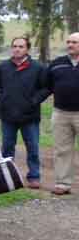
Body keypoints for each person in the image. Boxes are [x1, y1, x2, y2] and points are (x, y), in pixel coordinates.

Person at [0, 37, 49, 190]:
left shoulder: (38, 67)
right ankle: (6, 177)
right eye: (15, 46)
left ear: (27, 49)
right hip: (8, 115)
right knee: (7, 148)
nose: (17, 49)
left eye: (21, 46)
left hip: (30, 116)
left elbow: (46, 88)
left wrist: (34, 101)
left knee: (32, 148)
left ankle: (34, 177)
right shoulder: (3, 67)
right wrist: (2, 98)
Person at [47, 32, 79, 195]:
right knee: (62, 149)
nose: (70, 45)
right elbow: (48, 85)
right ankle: (63, 183)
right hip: (61, 112)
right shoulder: (57, 63)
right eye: (68, 42)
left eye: (74, 42)